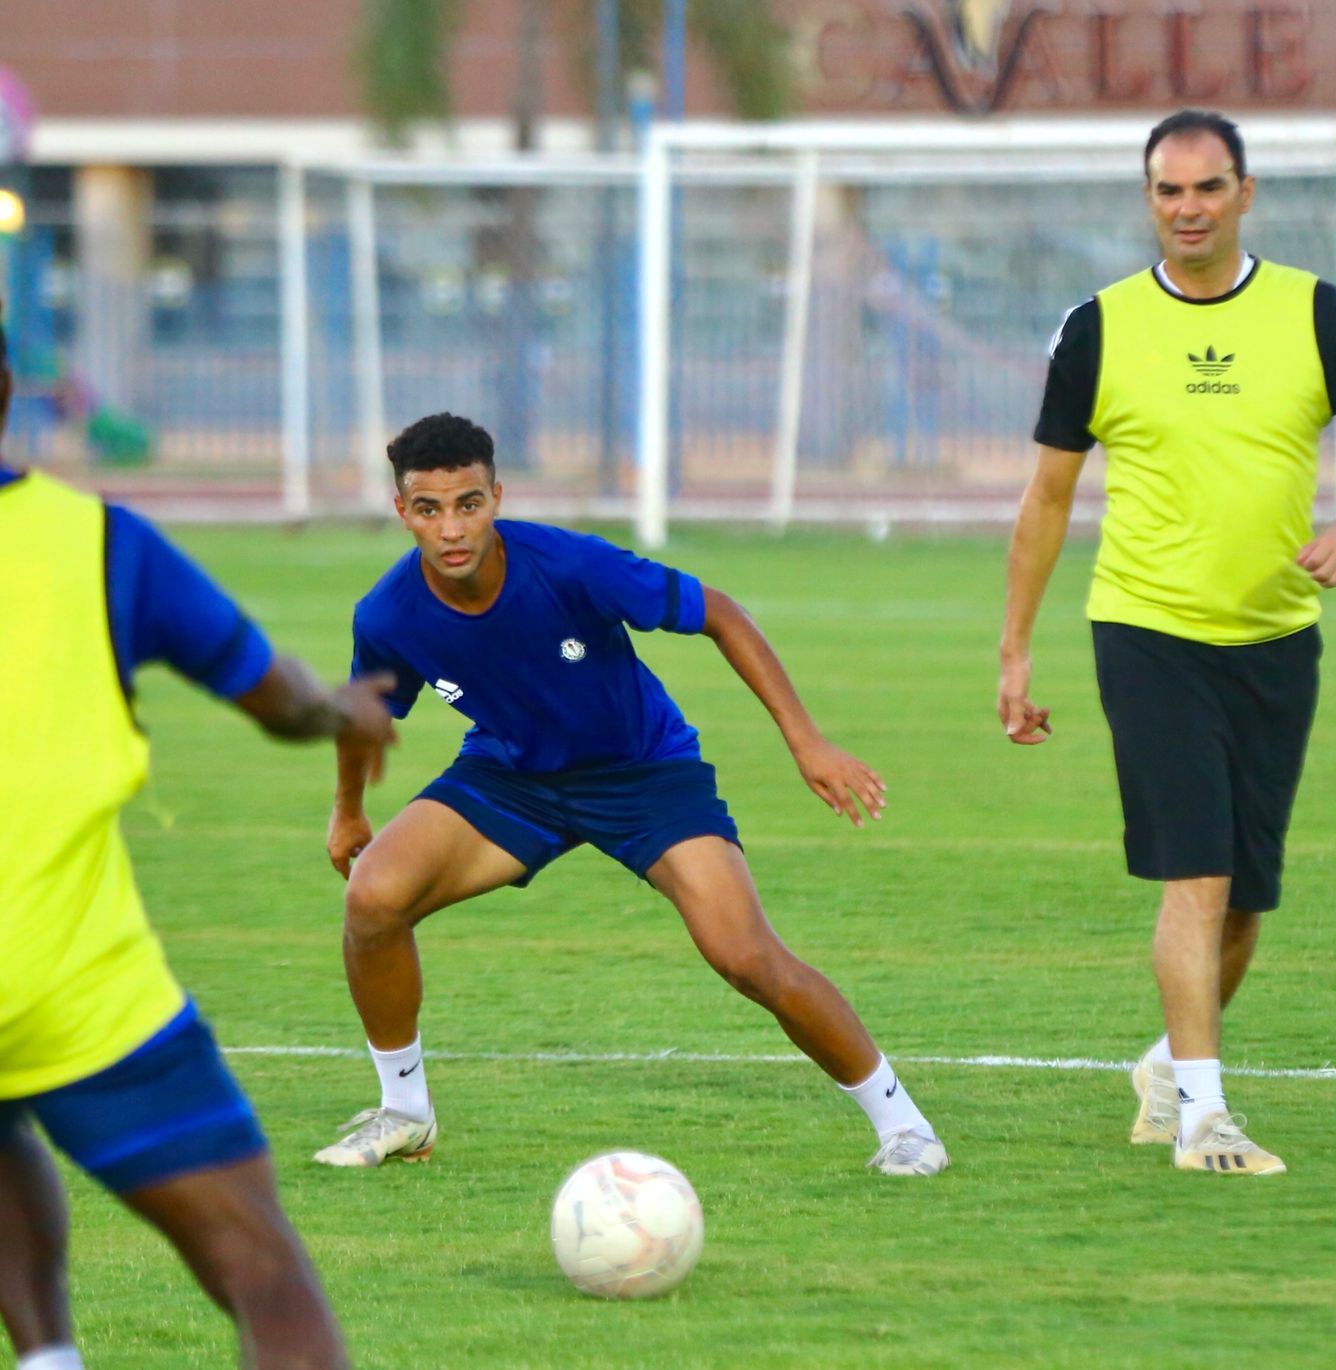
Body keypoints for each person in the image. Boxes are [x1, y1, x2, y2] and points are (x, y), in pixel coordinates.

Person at [313, 412, 947, 1178]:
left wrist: (806, 742)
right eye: (429, 508)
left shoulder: (572, 566)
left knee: (744, 955)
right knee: (374, 897)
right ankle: (405, 1115)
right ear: (401, 511)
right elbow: (365, 715)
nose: (451, 527)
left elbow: (718, 612)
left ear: (497, 497)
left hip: (644, 772)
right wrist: (349, 810)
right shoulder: (386, 614)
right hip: (512, 777)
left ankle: (904, 1126)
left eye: (469, 503)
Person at [997, 109, 1336, 1176]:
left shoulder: (1313, 313)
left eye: (1205, 187)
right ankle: (1202, 1117)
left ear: (1244, 193)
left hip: (1276, 641)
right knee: (1193, 875)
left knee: (1243, 896)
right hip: (1146, 634)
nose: (1185, 208)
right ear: (1148, 199)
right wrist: (1014, 648)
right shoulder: (1097, 326)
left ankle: (1163, 1066)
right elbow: (1046, 498)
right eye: (1166, 190)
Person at [0, 322, 398, 1369]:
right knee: (262, 1269)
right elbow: (276, 698)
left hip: (56, 989)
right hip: (69, 985)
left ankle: (47, 1355)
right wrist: (342, 709)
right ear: (9, 386)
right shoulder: (101, 546)